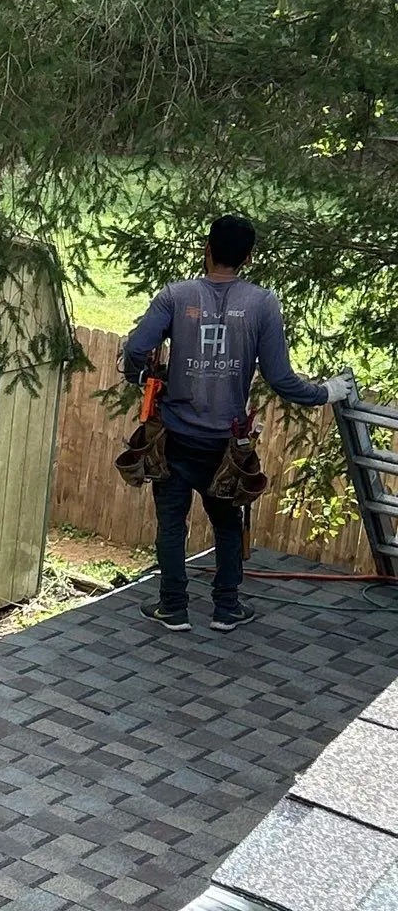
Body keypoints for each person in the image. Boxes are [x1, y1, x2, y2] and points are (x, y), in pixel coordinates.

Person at [122, 213, 350, 633]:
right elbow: (282, 379)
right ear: (248, 256)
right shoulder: (263, 304)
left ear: (207, 249)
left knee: (171, 524)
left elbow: (137, 348)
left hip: (174, 437)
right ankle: (226, 608)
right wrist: (329, 392)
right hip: (225, 445)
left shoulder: (175, 296)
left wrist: (141, 376)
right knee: (226, 525)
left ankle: (173, 607)